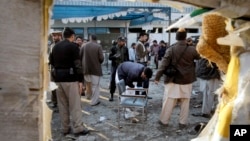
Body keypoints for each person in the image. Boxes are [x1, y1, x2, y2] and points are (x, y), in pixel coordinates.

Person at [154, 28, 200, 129]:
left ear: (176, 37)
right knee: (185, 102)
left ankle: (164, 121)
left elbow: (163, 65)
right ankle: (182, 123)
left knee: (169, 102)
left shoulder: (171, 49)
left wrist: (157, 77)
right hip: (187, 80)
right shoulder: (192, 49)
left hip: (173, 80)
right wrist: (193, 45)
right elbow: (199, 56)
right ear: (185, 36)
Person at [49, 27, 89, 136]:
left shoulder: (55, 47)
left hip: (58, 80)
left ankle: (65, 128)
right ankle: (78, 128)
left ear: (62, 35)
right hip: (71, 80)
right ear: (72, 36)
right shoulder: (73, 47)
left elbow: (51, 63)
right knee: (75, 105)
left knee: (62, 105)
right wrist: (81, 81)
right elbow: (78, 65)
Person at [80, 34, 104, 106]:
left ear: (90, 38)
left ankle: (88, 96)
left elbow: (80, 56)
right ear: (96, 39)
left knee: (88, 84)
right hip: (95, 69)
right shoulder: (98, 46)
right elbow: (101, 58)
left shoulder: (83, 45)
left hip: (85, 69)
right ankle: (94, 101)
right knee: (95, 86)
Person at [108, 36, 129, 101]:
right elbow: (110, 57)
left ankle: (121, 95)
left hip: (122, 67)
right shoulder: (113, 48)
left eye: (124, 41)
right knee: (113, 80)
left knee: (122, 81)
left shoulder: (125, 48)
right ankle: (111, 94)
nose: (123, 42)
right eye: (122, 41)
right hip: (115, 66)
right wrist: (115, 56)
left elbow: (127, 58)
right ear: (118, 41)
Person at [48, 30, 62, 108]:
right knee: (53, 86)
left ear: (60, 36)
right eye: (53, 36)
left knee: (61, 87)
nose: (53, 37)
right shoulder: (52, 45)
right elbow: (50, 58)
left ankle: (61, 102)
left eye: (55, 36)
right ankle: (55, 101)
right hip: (53, 69)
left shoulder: (63, 45)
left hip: (61, 69)